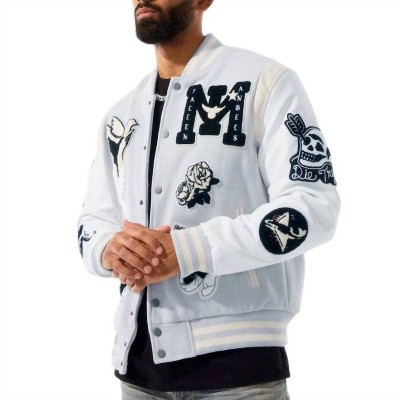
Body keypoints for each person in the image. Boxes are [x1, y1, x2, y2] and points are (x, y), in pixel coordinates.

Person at [78, 0, 340, 398]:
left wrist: (190, 250)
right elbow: (92, 221)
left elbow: (314, 207)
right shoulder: (122, 116)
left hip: (240, 370)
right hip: (138, 371)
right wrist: (110, 248)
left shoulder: (265, 82)